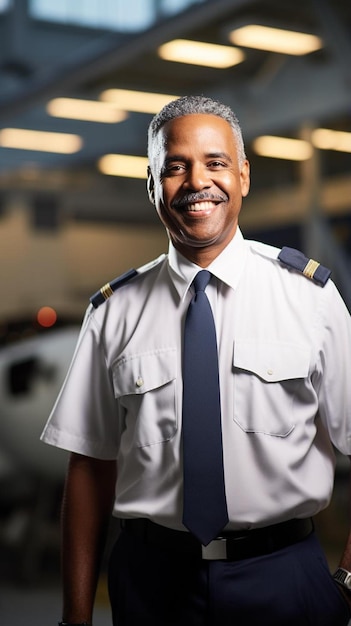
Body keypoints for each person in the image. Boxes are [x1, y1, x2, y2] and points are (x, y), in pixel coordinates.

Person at [41, 95, 351, 626]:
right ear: (151, 183)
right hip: (152, 584)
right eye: (175, 166)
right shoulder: (113, 313)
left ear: (243, 176)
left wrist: (348, 582)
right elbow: (90, 468)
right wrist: (76, 617)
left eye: (216, 162)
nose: (196, 182)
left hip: (285, 576)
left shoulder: (311, 299)